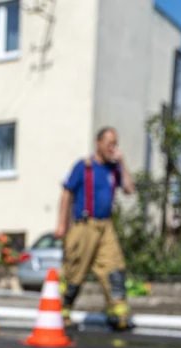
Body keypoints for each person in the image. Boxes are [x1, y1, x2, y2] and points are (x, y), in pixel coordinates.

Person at [54, 127, 136, 331]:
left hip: (106, 226)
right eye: (109, 143)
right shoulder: (84, 166)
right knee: (74, 271)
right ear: (98, 143)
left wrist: (122, 162)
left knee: (114, 269)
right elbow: (67, 194)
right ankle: (61, 313)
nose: (112, 148)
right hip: (84, 226)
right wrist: (62, 225)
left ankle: (118, 314)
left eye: (115, 144)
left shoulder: (113, 169)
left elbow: (129, 189)